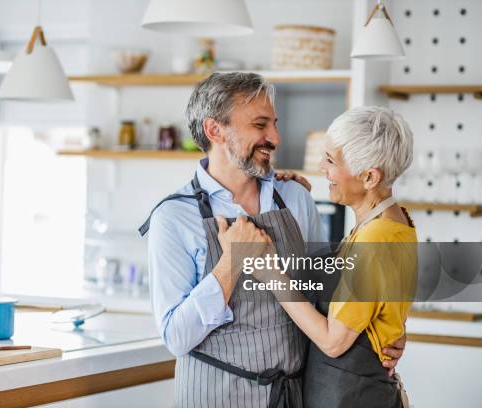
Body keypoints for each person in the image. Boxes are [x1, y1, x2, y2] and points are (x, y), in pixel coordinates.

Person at [139, 73, 404, 408]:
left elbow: (329, 298)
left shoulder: (295, 198)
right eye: (260, 125)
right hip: (214, 397)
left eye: (274, 124)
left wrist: (384, 330)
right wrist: (231, 263)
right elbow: (176, 338)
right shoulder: (175, 217)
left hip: (294, 397)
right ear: (214, 130)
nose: (275, 137)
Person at [221, 106, 416, 408]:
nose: (322, 168)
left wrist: (268, 272)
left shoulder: (375, 239)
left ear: (369, 177)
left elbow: (333, 341)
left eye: (330, 161)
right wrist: (289, 190)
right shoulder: (393, 222)